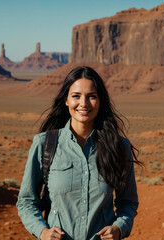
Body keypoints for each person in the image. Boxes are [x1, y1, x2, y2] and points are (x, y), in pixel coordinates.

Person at [16, 66, 142, 240]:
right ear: (66, 100)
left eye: (92, 96)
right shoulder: (45, 144)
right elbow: (26, 202)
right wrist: (42, 232)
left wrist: (119, 228)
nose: (84, 103)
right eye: (76, 96)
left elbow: (127, 203)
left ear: (100, 101)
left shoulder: (119, 146)